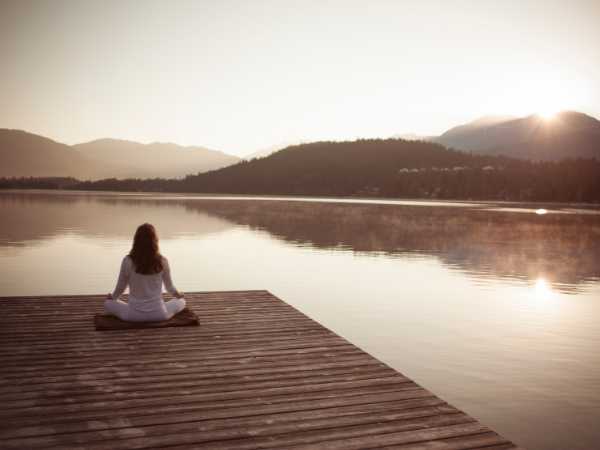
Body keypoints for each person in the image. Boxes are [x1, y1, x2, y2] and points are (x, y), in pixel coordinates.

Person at [104, 223, 186, 322]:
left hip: (133, 316)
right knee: (181, 301)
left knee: (108, 303)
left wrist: (113, 298)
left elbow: (121, 287)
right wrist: (178, 295)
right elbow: (169, 288)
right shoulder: (162, 261)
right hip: (159, 314)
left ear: (136, 241)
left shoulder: (127, 261)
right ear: (154, 241)